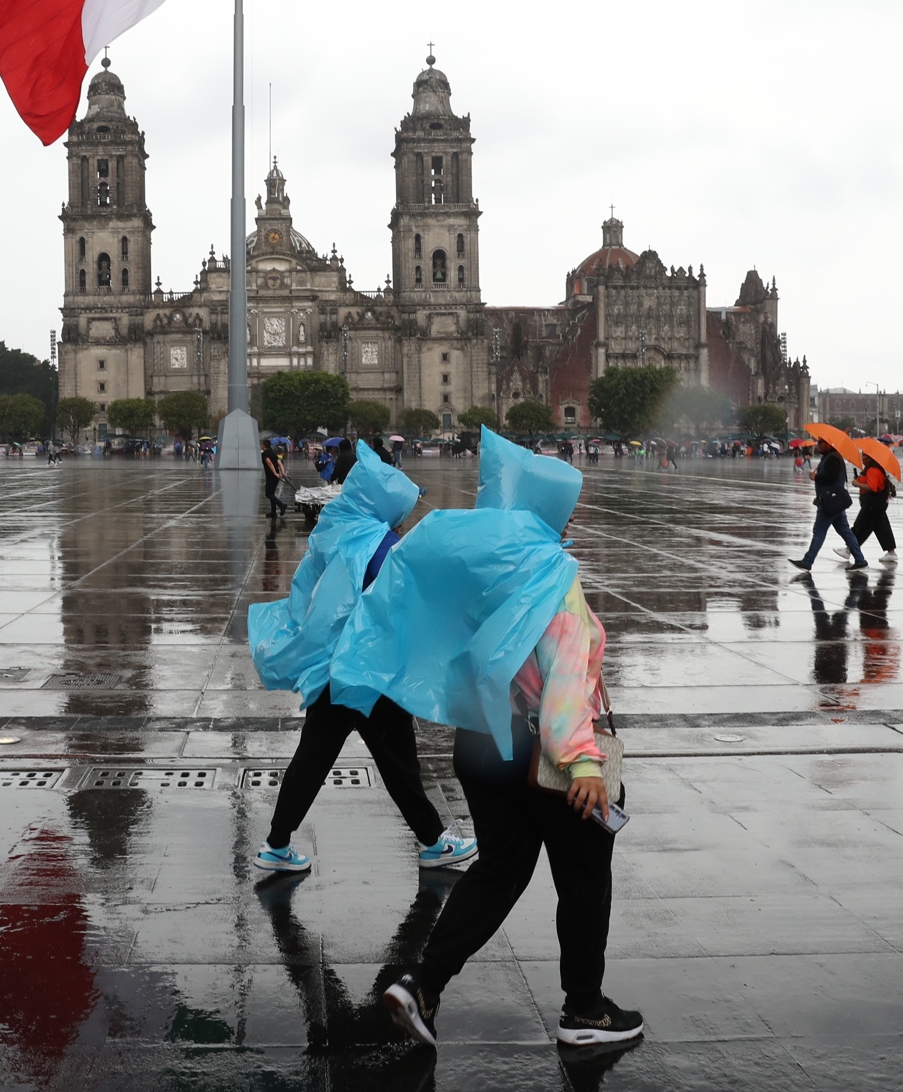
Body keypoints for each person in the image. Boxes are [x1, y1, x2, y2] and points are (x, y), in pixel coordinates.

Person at [342, 430, 640, 1048]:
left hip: (480, 743)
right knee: (585, 873)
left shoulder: (484, 570)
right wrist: (583, 763)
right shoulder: (552, 580)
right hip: (539, 753)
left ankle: (421, 983)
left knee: (500, 870)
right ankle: (584, 1010)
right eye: (567, 506)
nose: (573, 517)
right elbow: (563, 683)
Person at [249, 443, 476, 874]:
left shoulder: (337, 527)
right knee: (397, 763)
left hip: (336, 668)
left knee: (315, 760)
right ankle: (432, 842)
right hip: (368, 673)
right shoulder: (378, 543)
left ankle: (277, 845)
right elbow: (406, 596)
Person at [792, 443, 866, 571]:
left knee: (819, 532)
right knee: (845, 531)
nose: (818, 445)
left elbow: (831, 478)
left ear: (829, 444)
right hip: (832, 501)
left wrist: (816, 477)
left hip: (830, 502)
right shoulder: (830, 457)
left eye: (821, 443)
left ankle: (807, 561)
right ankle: (860, 560)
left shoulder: (833, 458)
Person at [843, 455, 897, 560]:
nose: (862, 458)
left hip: (873, 503)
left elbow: (872, 487)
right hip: (876, 503)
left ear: (870, 458)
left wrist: (857, 483)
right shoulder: (871, 470)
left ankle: (849, 549)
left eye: (864, 456)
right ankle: (891, 552)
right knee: (881, 527)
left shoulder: (873, 470)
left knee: (860, 525)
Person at [262, 436, 288, 521]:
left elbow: (269, 463)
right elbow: (279, 463)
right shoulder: (273, 453)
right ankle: (273, 512)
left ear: (264, 445)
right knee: (272, 494)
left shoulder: (265, 454)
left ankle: (281, 505)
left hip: (271, 476)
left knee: (268, 494)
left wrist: (275, 473)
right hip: (276, 477)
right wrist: (282, 472)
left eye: (262, 444)